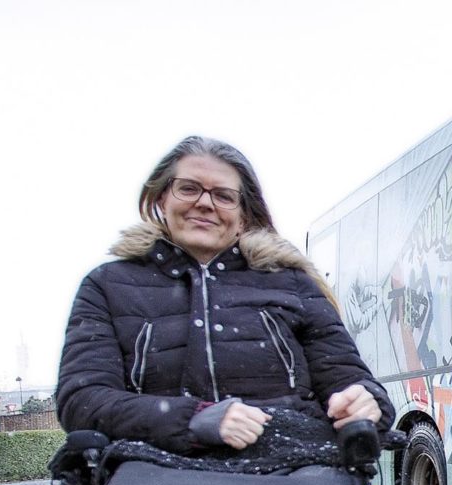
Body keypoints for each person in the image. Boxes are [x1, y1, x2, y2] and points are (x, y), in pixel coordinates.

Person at [55, 135, 391, 454]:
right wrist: (194, 419)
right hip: (151, 473)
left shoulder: (294, 284)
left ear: (243, 215)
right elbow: (82, 401)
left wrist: (364, 399)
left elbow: (350, 380)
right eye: (188, 189)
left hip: (297, 469)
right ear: (161, 199)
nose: (204, 203)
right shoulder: (106, 286)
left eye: (223, 196)